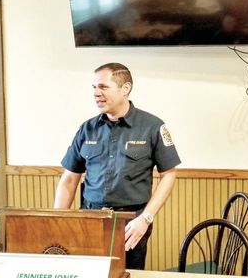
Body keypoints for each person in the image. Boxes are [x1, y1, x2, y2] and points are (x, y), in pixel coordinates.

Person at [54, 63, 181, 270]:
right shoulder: (87, 129)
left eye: (103, 87)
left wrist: (146, 219)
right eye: (94, 87)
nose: (96, 93)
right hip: (90, 220)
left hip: (131, 223)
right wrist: (58, 221)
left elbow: (169, 174)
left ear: (125, 88)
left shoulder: (153, 126)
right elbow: (69, 179)